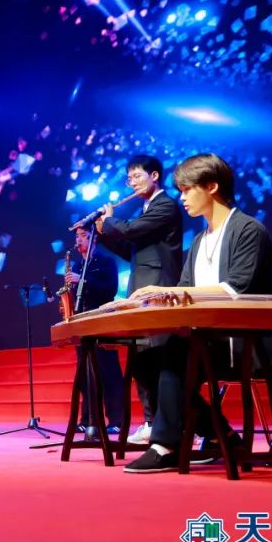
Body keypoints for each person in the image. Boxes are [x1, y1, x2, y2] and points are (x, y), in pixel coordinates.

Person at [123, 153, 272, 473]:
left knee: (175, 354)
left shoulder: (248, 230)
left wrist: (169, 292)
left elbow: (236, 289)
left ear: (212, 187)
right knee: (147, 359)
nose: (182, 198)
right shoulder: (199, 240)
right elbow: (186, 288)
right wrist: (155, 297)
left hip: (248, 341)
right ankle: (220, 434)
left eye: (187, 190)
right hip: (210, 338)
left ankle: (166, 444)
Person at [95, 155, 182, 443]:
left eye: (136, 176)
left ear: (154, 175)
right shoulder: (146, 208)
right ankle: (151, 421)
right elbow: (131, 251)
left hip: (159, 286)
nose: (131, 182)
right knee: (142, 356)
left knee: (158, 355)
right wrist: (103, 233)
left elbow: (131, 230)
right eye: (129, 178)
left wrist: (109, 221)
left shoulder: (165, 205)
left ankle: (172, 424)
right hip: (140, 285)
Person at [66, 227, 123, 436]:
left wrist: (82, 280)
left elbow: (110, 289)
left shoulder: (106, 261)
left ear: (94, 239)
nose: (79, 240)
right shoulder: (77, 264)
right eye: (77, 236)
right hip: (82, 321)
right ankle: (88, 419)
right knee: (84, 373)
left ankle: (117, 420)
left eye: (84, 236)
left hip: (102, 320)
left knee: (108, 371)